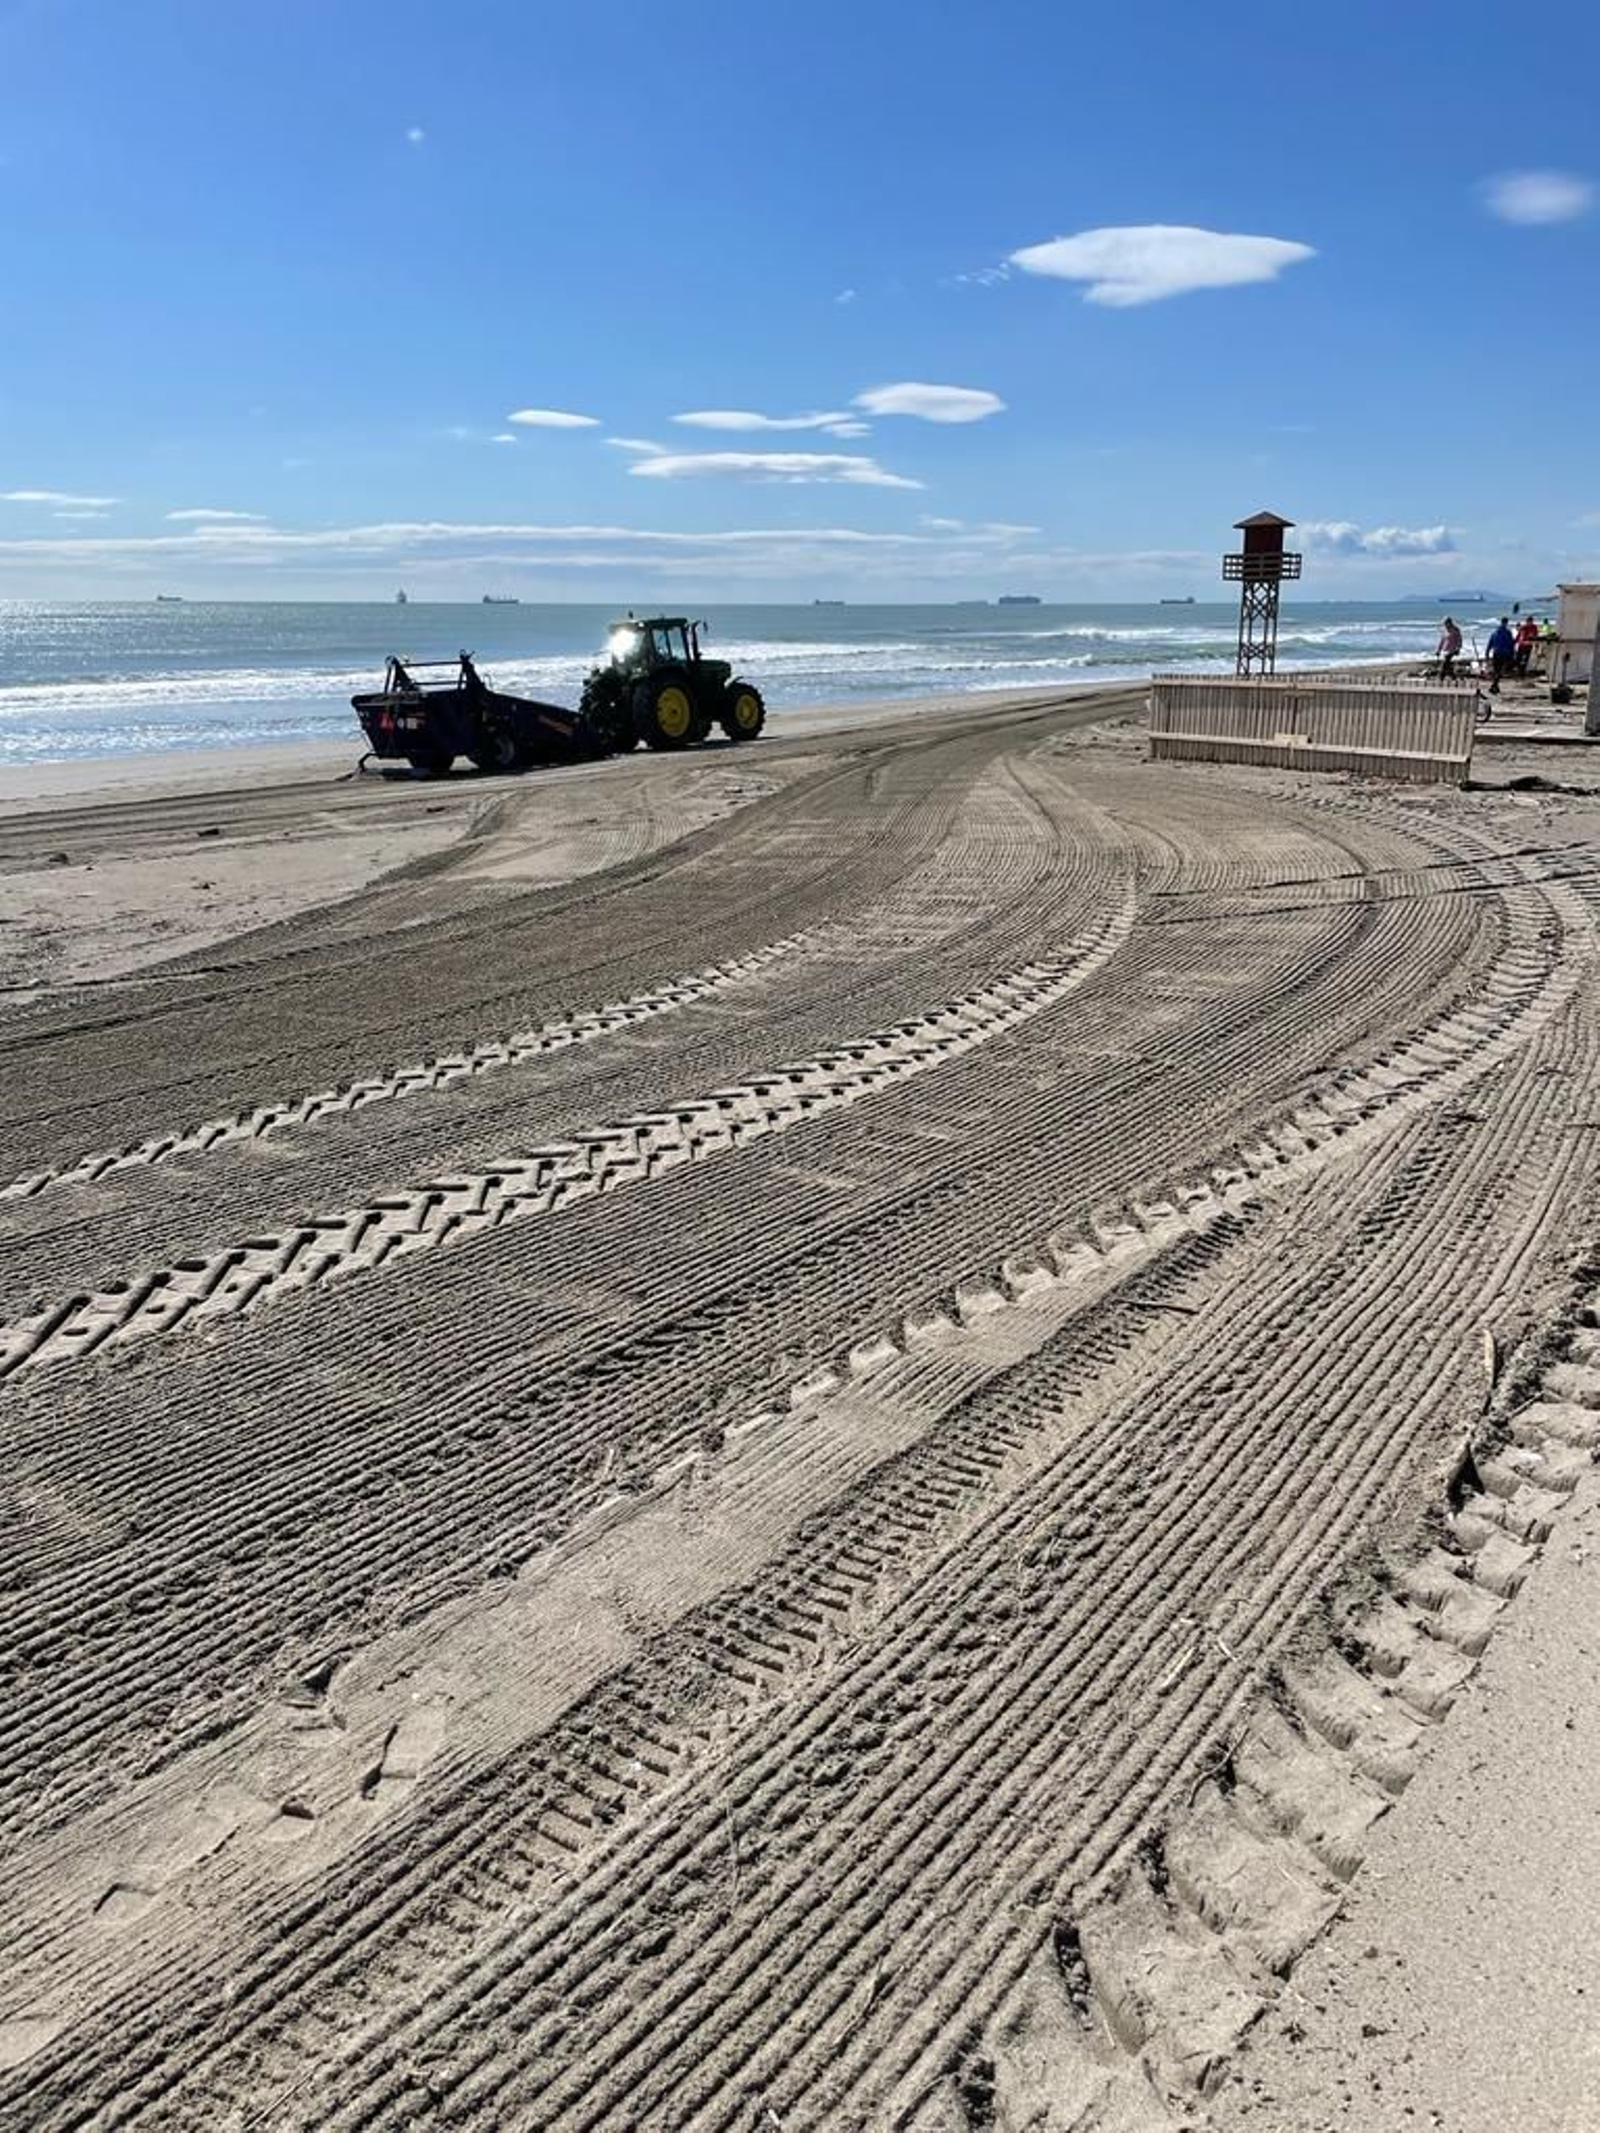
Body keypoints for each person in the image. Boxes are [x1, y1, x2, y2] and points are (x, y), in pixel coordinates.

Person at [1486, 616, 1516, 694]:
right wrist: (1512, 654)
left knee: (1496, 671)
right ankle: (1494, 686)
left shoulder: (1495, 632)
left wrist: (1487, 653)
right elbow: (1511, 644)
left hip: (1496, 653)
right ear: (1506, 623)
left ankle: (1495, 687)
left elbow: (1490, 643)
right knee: (1500, 672)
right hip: (1504, 654)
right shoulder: (1508, 633)